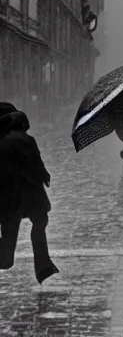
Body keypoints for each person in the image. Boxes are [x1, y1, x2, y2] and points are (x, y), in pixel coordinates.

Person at [0, 102, 59, 284]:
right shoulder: (23, 139)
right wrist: (43, 175)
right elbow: (36, 165)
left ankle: (43, 265)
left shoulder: (4, 142)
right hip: (28, 194)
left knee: (8, 249)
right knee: (40, 222)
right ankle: (43, 265)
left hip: (11, 198)